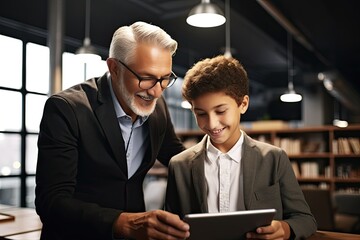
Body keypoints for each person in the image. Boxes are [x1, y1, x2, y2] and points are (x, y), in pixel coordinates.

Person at [35, 21, 190, 240]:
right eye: (146, 78)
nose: (156, 91)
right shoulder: (66, 109)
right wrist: (124, 223)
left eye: (165, 79)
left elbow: (178, 156)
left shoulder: (158, 108)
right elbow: (51, 202)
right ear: (114, 68)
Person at [165, 55, 317, 239]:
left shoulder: (274, 159)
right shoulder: (179, 165)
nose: (212, 124)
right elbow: (170, 228)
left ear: (243, 104)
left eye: (220, 111)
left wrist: (283, 229)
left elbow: (305, 219)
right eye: (201, 113)